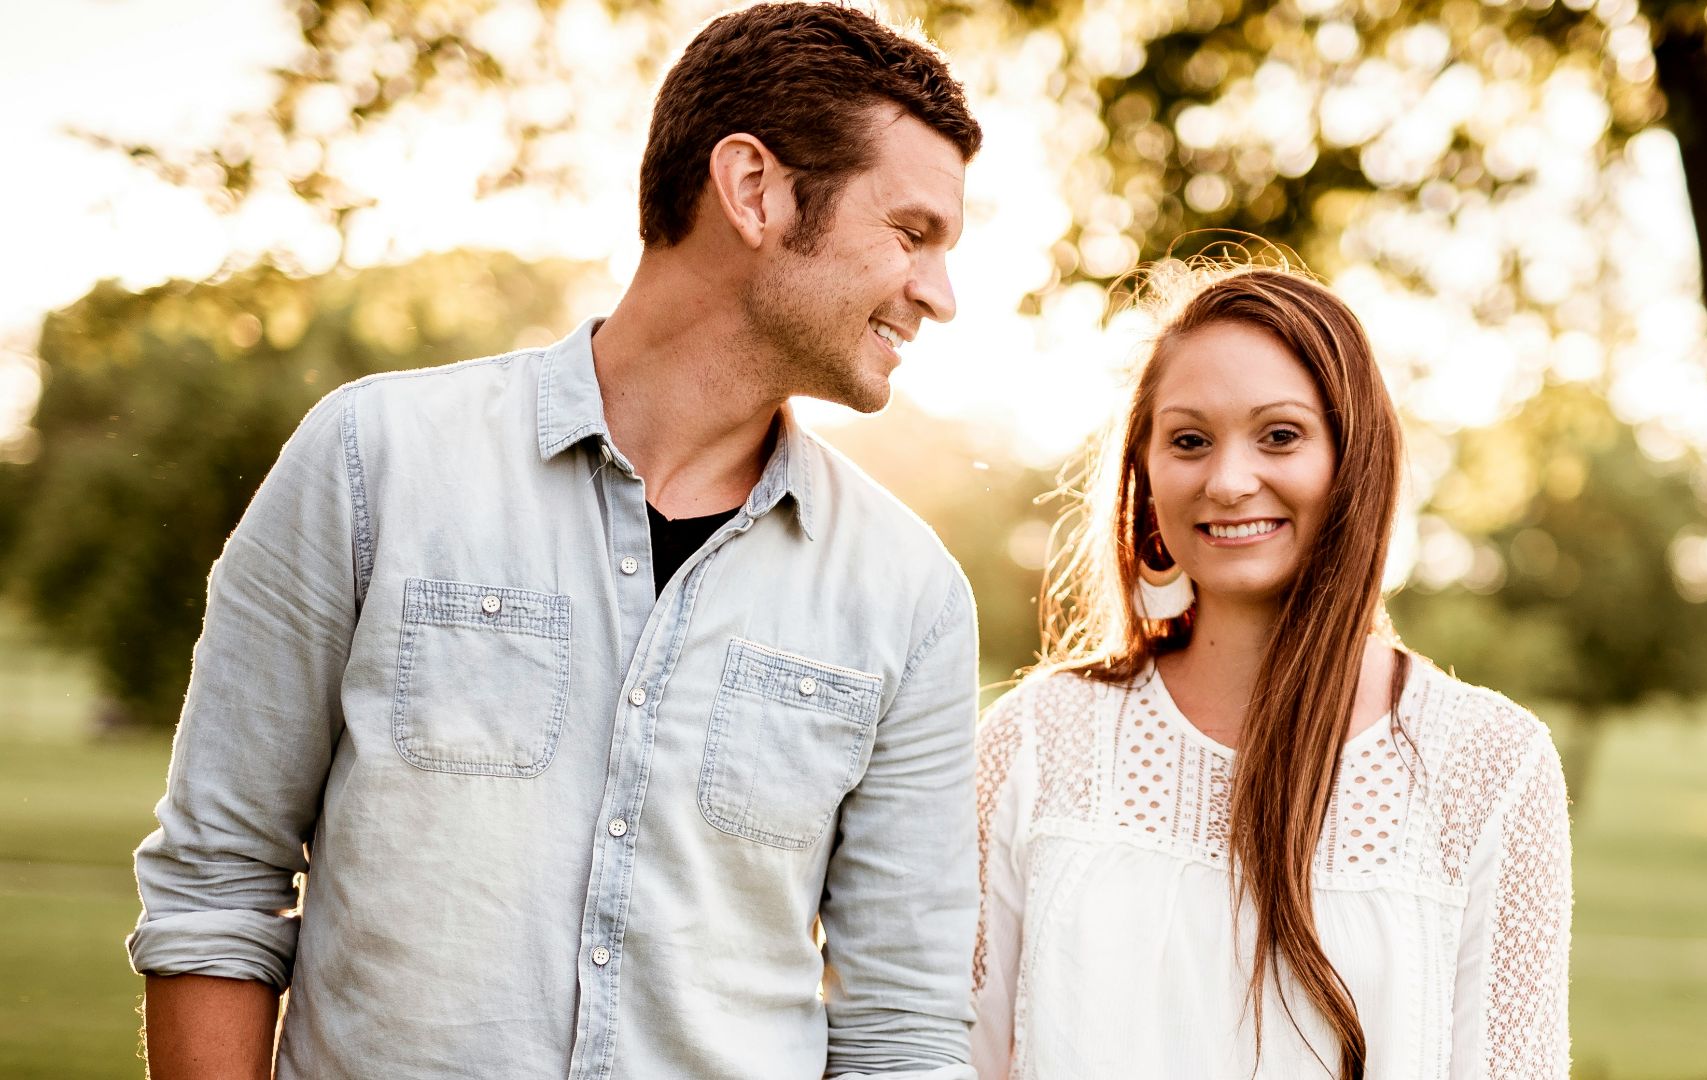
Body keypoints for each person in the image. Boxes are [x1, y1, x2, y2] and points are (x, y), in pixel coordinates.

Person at [128, 5, 985, 1077]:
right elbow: (217, 889)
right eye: (913, 233)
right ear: (755, 190)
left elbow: (901, 1025)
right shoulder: (372, 462)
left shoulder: (910, 595)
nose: (939, 296)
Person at [970, 265, 1573, 1079]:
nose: (1227, 480)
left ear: (1354, 459)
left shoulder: (1490, 765)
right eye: (1189, 440)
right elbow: (945, 1051)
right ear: (1146, 476)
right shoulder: (1038, 744)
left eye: (1280, 435)